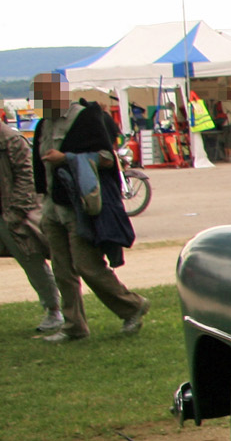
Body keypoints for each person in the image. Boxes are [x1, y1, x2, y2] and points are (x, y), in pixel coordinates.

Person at [31, 76, 148, 342]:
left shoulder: (85, 118)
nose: (40, 103)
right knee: (62, 269)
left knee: (87, 265)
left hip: (78, 207)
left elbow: (108, 158)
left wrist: (67, 159)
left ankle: (132, 306)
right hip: (52, 206)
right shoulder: (43, 125)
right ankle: (74, 327)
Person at [1, 108, 61, 332]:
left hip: (12, 213)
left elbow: (27, 177)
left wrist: (16, 212)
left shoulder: (10, 140)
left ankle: (54, 309)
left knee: (31, 259)